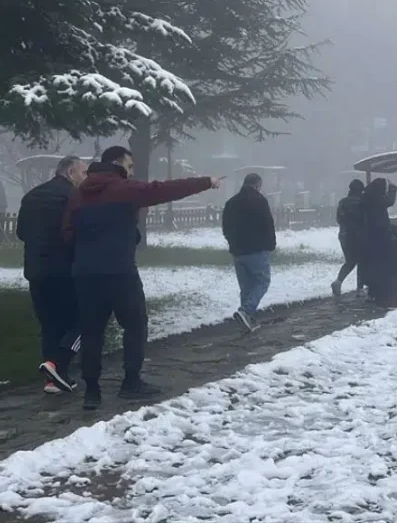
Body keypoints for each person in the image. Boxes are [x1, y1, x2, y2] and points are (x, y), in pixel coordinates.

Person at [64, 145, 221, 410]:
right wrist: (206, 182)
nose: (132, 170)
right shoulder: (123, 189)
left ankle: (92, 391)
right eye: (130, 165)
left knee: (92, 331)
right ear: (117, 163)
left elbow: (67, 232)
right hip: (120, 271)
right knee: (135, 324)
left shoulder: (79, 195)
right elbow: (162, 190)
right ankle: (131, 382)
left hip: (86, 273)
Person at [16, 155, 86, 394]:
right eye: (82, 173)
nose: (84, 178)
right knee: (82, 319)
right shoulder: (74, 198)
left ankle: (52, 379)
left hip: (35, 271)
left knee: (49, 324)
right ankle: (59, 365)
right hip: (65, 270)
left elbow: (21, 233)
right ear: (69, 172)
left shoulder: (31, 196)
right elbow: (76, 232)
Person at [222, 173, 277, 332]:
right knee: (262, 281)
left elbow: (225, 226)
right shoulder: (260, 201)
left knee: (246, 287)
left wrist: (232, 242)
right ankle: (246, 311)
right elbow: (268, 224)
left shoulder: (231, 202)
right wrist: (271, 244)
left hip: (238, 250)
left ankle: (247, 319)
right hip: (257, 248)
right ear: (257, 185)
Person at [360, 178, 397, 308]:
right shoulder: (376, 199)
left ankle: (374, 292)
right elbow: (389, 202)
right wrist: (393, 189)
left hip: (370, 238)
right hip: (380, 237)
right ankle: (389, 297)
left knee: (375, 267)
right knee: (388, 267)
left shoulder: (367, 197)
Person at [331, 179, 365, 298]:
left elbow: (339, 219)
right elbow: (364, 220)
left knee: (350, 261)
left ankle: (338, 281)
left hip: (344, 235)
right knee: (361, 261)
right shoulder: (362, 202)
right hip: (358, 235)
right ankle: (360, 288)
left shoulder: (343, 202)